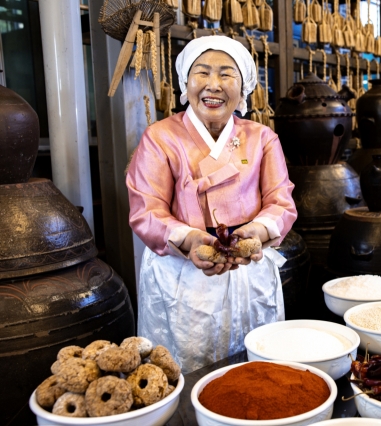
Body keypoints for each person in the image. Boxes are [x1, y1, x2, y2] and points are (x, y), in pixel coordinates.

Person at [126, 35, 297, 373]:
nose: (213, 85)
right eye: (202, 73)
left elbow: (281, 201)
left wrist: (256, 233)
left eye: (226, 74)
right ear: (185, 82)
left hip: (247, 264)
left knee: (252, 366)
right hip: (182, 270)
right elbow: (147, 210)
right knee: (185, 367)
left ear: (244, 85)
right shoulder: (160, 138)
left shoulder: (262, 138)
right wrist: (190, 241)